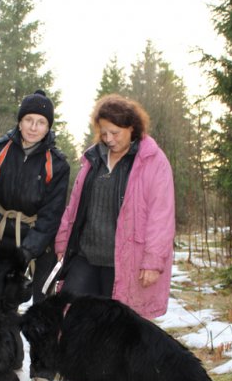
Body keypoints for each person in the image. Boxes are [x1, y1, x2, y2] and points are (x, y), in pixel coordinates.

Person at [54, 94, 175, 319]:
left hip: (125, 261)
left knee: (117, 329)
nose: (109, 139)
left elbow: (162, 217)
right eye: (104, 133)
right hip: (85, 256)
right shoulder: (93, 159)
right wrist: (63, 240)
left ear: (132, 127)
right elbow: (74, 207)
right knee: (72, 318)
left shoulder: (153, 162)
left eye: (115, 133)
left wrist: (153, 261)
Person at [0, 90, 70, 304]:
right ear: (20, 121)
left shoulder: (58, 164)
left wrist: (27, 251)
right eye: (29, 120)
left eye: (41, 122)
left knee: (43, 308)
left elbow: (51, 215)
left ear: (48, 126)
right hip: (1, 234)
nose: (34, 127)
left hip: (40, 240)